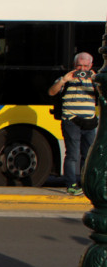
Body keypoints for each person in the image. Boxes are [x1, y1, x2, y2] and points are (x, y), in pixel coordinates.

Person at [48, 51, 98, 195]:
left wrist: (96, 80)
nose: (82, 70)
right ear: (74, 65)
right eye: (79, 66)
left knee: (88, 156)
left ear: (91, 66)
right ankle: (71, 185)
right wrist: (63, 80)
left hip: (89, 122)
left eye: (85, 66)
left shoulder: (95, 81)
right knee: (72, 155)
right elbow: (51, 92)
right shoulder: (67, 78)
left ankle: (85, 184)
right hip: (71, 121)